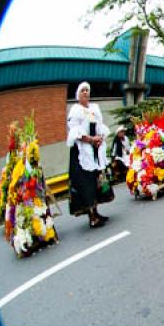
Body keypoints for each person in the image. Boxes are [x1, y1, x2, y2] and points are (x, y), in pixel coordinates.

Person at [67, 81, 112, 228]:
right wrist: (91, 140)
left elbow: (99, 126)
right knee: (86, 184)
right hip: (82, 152)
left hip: (94, 150)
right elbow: (75, 132)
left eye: (87, 90)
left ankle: (96, 212)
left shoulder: (94, 109)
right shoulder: (75, 110)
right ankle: (91, 216)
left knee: (95, 182)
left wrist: (100, 138)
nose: (85, 93)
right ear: (78, 95)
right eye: (82, 91)